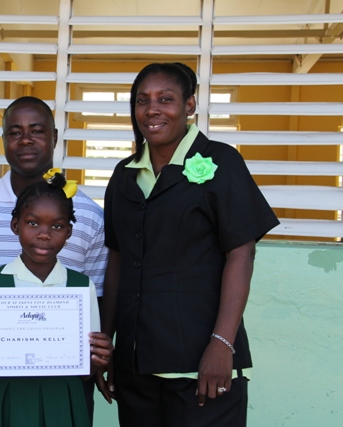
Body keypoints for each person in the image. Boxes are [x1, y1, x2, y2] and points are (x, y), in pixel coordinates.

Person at [97, 62, 279, 427]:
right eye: (142, 100)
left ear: (190, 105)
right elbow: (116, 262)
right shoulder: (124, 176)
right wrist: (105, 346)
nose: (152, 109)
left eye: (166, 99)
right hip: (136, 370)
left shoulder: (221, 162)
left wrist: (222, 345)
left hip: (200, 368)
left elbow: (241, 254)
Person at [0, 96, 108, 427]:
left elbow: (97, 296)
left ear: (55, 136)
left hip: (66, 376)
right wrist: (0, 335)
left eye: (37, 130)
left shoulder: (88, 215)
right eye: (15, 132)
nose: (26, 140)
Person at [0, 171, 113, 427]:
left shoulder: (81, 286)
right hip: (8, 399)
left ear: (69, 232)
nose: (44, 234)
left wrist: (99, 358)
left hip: (64, 400)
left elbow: (84, 370)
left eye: (56, 226)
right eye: (33, 223)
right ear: (16, 225)